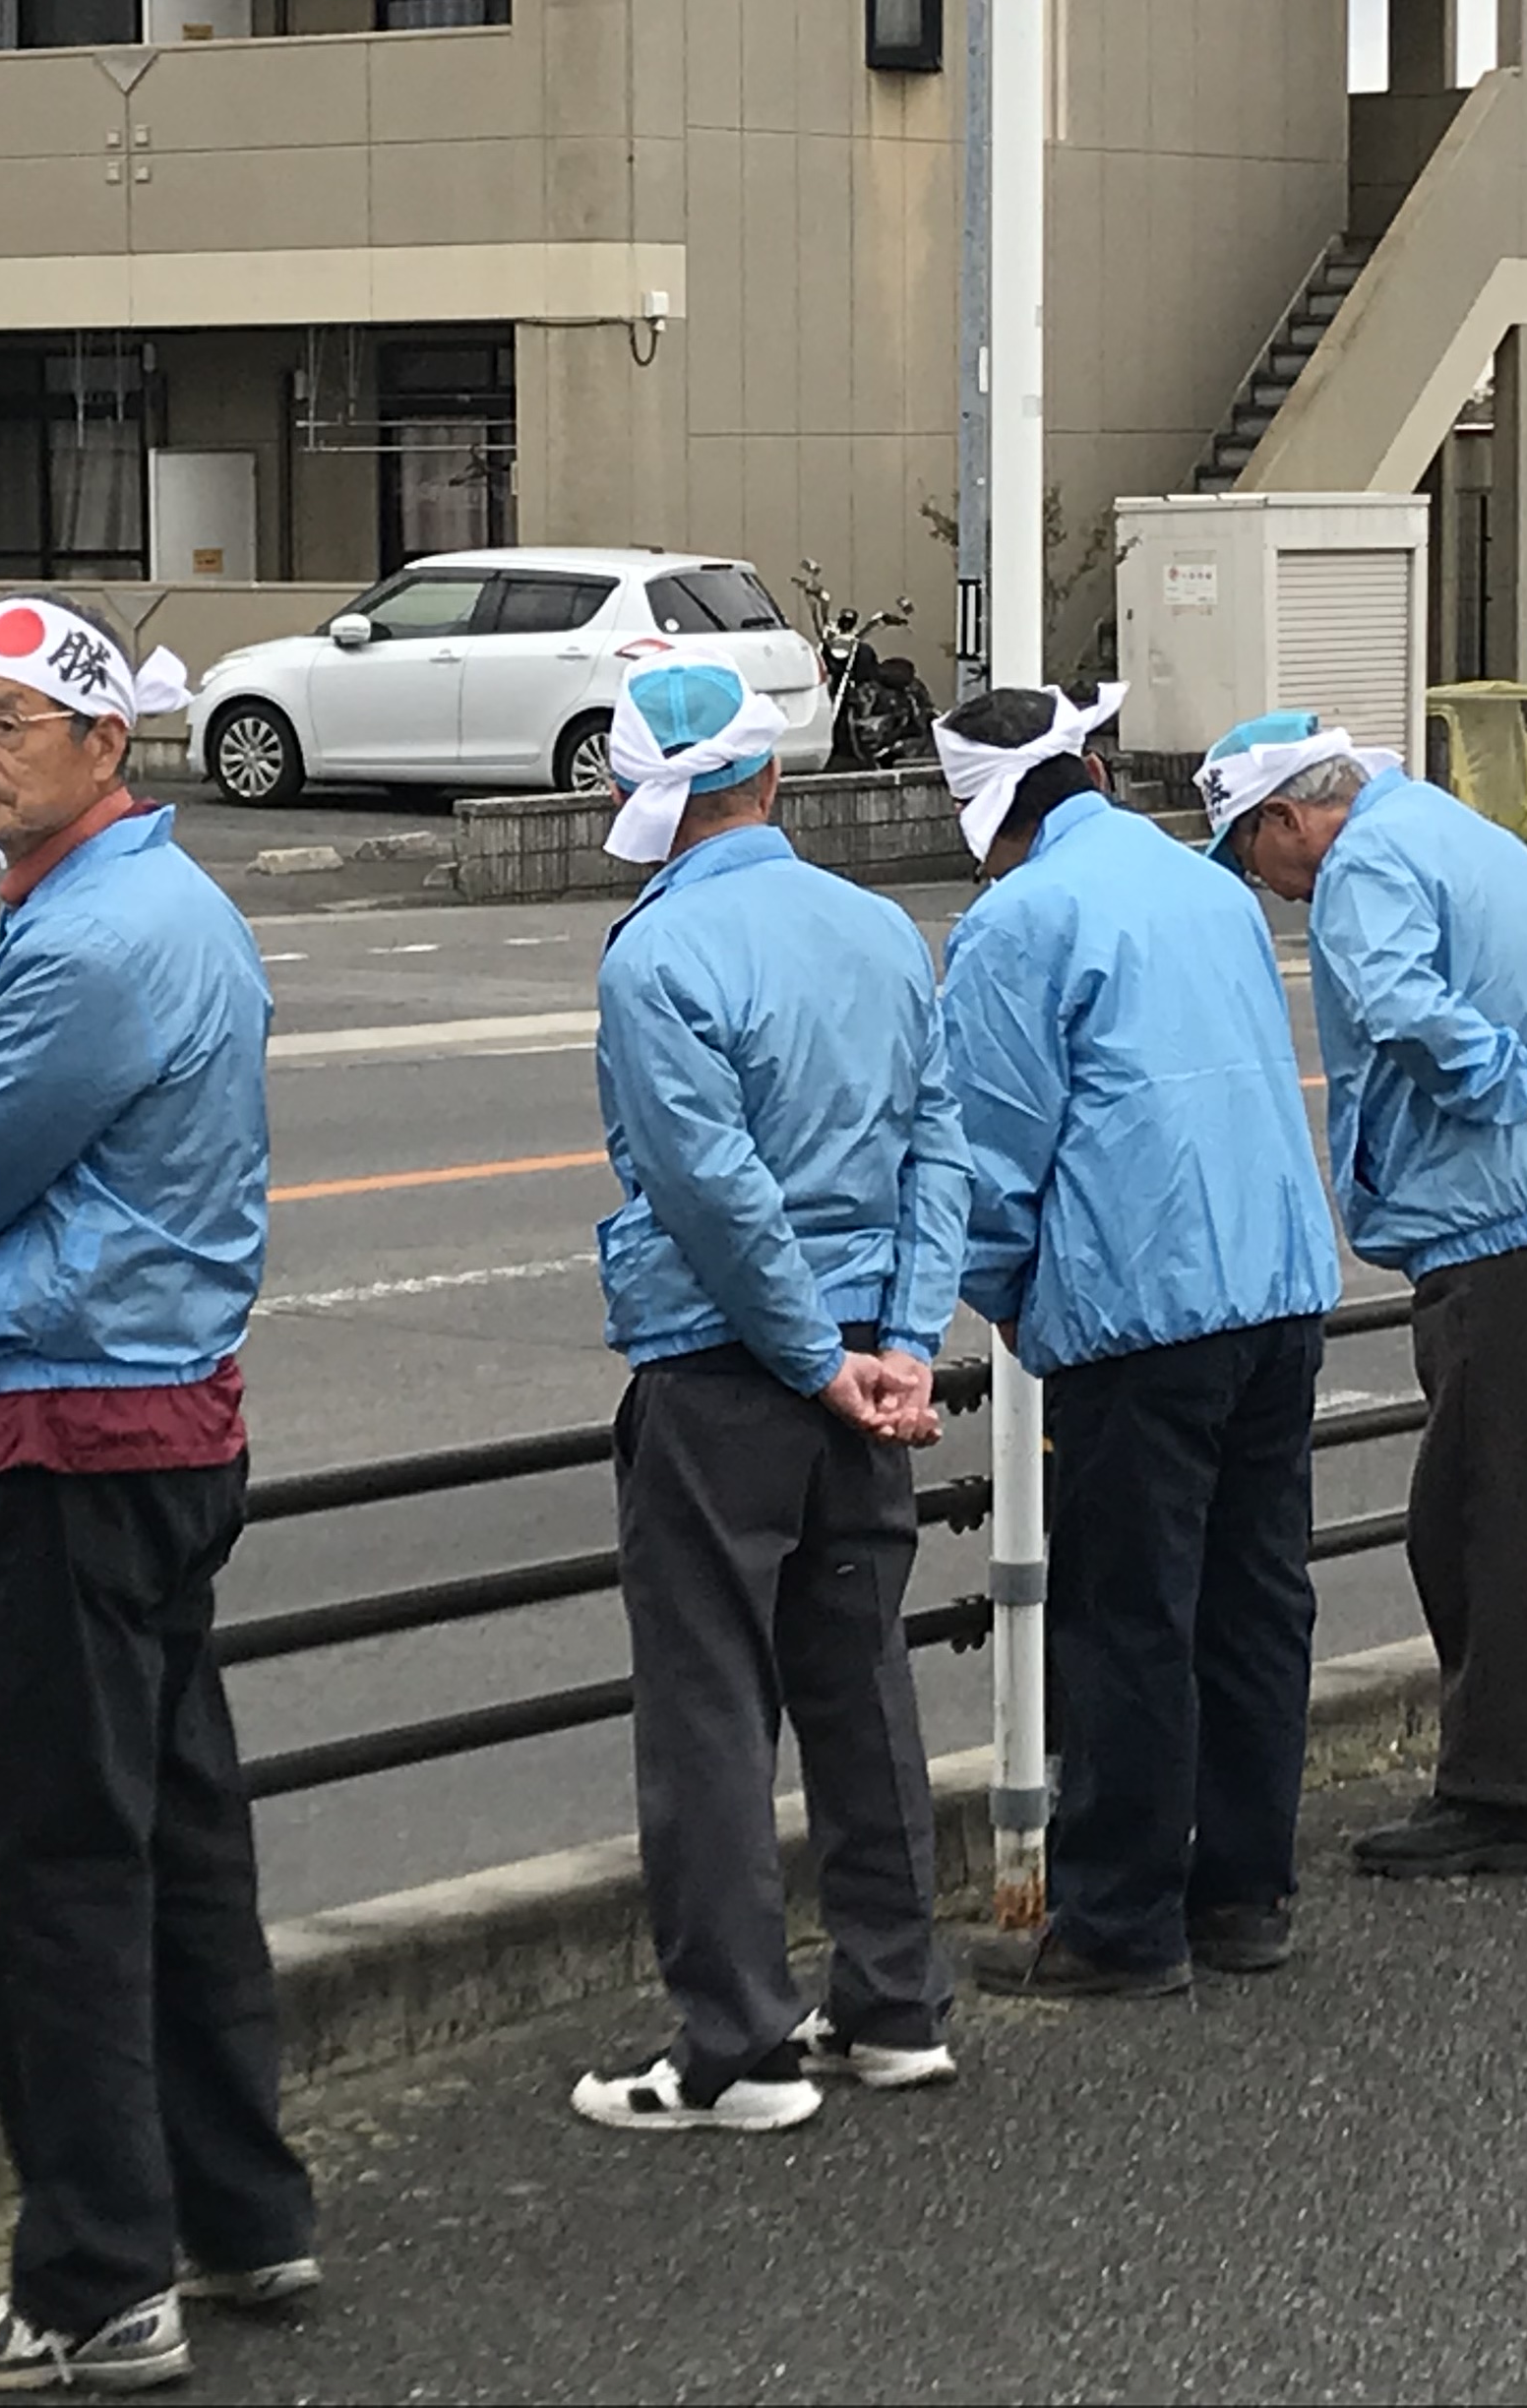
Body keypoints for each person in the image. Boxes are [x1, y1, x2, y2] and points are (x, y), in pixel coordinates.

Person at [0, 597, 316, 2395]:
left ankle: (94, 2280)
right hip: (170, 1422)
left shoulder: (88, 941)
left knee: (37, 1864)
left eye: (7, 723)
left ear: (102, 742)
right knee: (178, 1835)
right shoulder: (164, 903)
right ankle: (239, 2206)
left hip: (70, 1424)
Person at [571, 658, 970, 2133]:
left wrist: (809, 1355)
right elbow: (940, 1141)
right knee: (860, 1677)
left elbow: (713, 1191)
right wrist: (900, 1343)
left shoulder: (655, 958)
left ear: (633, 791)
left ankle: (737, 2047)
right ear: (777, 778)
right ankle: (895, 2004)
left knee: (710, 1702)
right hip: (868, 1353)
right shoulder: (879, 928)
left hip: (725, 1365)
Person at [1201, 709, 1527, 1882]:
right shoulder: (1475, 840)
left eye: (1250, 854)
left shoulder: (1364, 866)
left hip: (1489, 1220)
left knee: (1477, 1515)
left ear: (1286, 819)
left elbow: (1403, 1008)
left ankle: (1498, 1792)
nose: (1268, 887)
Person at [931, 683, 1341, 1998]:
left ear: (988, 820)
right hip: (1276, 1279)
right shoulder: (1210, 892)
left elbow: (992, 1151)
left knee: (1129, 1615)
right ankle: (1245, 1894)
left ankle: (1119, 1921)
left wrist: (1006, 1292)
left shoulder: (1017, 922)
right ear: (1097, 773)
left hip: (1137, 1302)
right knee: (1255, 1598)